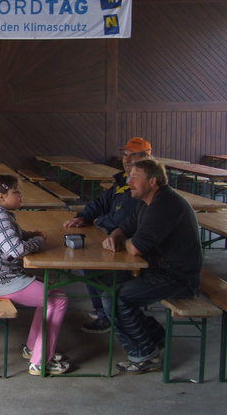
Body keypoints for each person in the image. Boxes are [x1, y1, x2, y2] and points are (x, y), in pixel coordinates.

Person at [100, 158, 202, 375]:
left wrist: (127, 242)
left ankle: (144, 354)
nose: (129, 182)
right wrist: (115, 236)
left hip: (179, 277)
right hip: (157, 269)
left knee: (114, 298)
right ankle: (155, 336)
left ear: (153, 181)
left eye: (135, 178)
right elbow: (124, 228)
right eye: (129, 177)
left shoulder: (165, 205)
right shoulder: (145, 201)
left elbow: (135, 248)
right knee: (108, 284)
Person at [0, 174, 69, 375]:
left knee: (49, 291)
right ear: (1, 196)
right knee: (57, 298)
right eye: (16, 192)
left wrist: (30, 235)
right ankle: (40, 362)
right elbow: (16, 250)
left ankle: (33, 348)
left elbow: (10, 236)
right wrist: (38, 242)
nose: (20, 196)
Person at [63, 137, 153, 334]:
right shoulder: (122, 180)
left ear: (146, 158)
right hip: (113, 236)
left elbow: (123, 219)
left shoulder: (142, 186)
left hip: (130, 244)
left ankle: (109, 316)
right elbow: (101, 203)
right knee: (86, 262)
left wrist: (100, 221)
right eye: (125, 155)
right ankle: (102, 311)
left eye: (132, 156)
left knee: (96, 267)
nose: (126, 160)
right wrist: (84, 217)